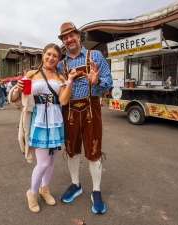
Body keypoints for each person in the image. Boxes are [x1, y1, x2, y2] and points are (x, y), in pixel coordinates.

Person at [12, 43, 77, 213]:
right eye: (49, 54)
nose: (51, 58)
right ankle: (32, 193)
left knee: (52, 161)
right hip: (38, 120)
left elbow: (63, 101)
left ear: (58, 59)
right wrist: (18, 88)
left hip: (55, 121)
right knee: (43, 163)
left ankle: (44, 189)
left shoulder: (61, 78)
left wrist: (69, 80)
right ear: (43, 55)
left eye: (55, 56)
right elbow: (23, 99)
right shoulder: (31, 74)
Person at [57, 22, 113, 214]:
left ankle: (96, 191)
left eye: (71, 35)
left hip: (92, 108)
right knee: (71, 150)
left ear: (78, 35)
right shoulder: (60, 65)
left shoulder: (94, 55)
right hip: (70, 111)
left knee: (94, 149)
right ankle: (75, 184)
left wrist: (96, 81)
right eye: (64, 38)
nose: (68, 40)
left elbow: (109, 81)